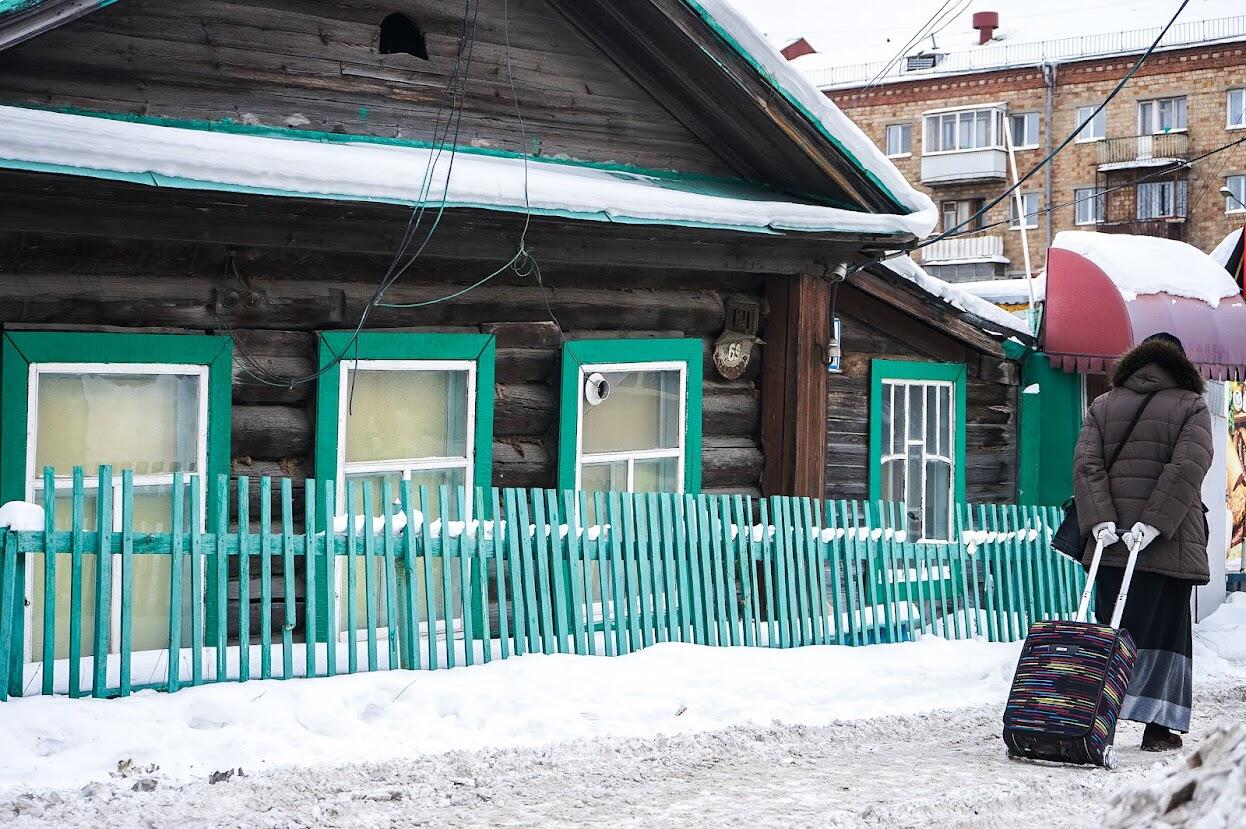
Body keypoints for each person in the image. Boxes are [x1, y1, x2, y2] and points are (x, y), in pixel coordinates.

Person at [1073, 332, 1212, 751]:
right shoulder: (1192, 406)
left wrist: (1101, 521)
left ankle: (1100, 718)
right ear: (1181, 365)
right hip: (1167, 544)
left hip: (1110, 545)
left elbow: (1086, 465)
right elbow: (1188, 467)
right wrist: (1153, 524)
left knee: (1112, 629)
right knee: (1167, 633)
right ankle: (1157, 727)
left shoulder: (1104, 404)